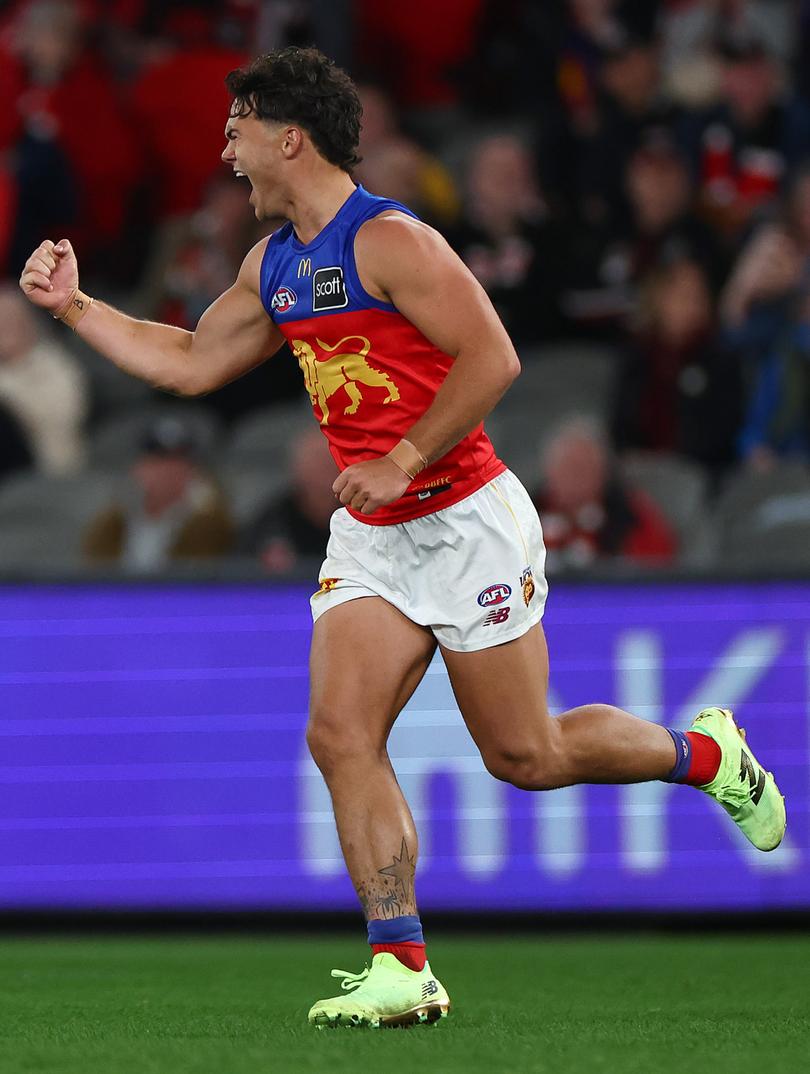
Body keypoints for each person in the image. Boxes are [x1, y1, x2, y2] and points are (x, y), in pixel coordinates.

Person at [19, 46, 785, 1030]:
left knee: (529, 756)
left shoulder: (388, 241)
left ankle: (707, 756)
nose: (225, 148)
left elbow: (493, 356)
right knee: (339, 734)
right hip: (375, 534)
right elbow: (193, 362)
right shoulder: (276, 263)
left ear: (287, 137)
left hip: (464, 520)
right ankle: (401, 961)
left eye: (237, 127)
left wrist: (406, 456)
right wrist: (75, 307)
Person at [82, 415, 233, 571]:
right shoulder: (114, 518)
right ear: (138, 468)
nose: (166, 470)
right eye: (157, 461)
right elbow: (94, 567)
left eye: (177, 461)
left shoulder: (211, 521)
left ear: (193, 469)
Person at [532, 415, 677, 572]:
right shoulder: (526, 513)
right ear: (550, 472)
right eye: (568, 468)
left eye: (585, 468)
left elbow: (655, 569)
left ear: (603, 472)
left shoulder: (631, 515)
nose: (576, 477)